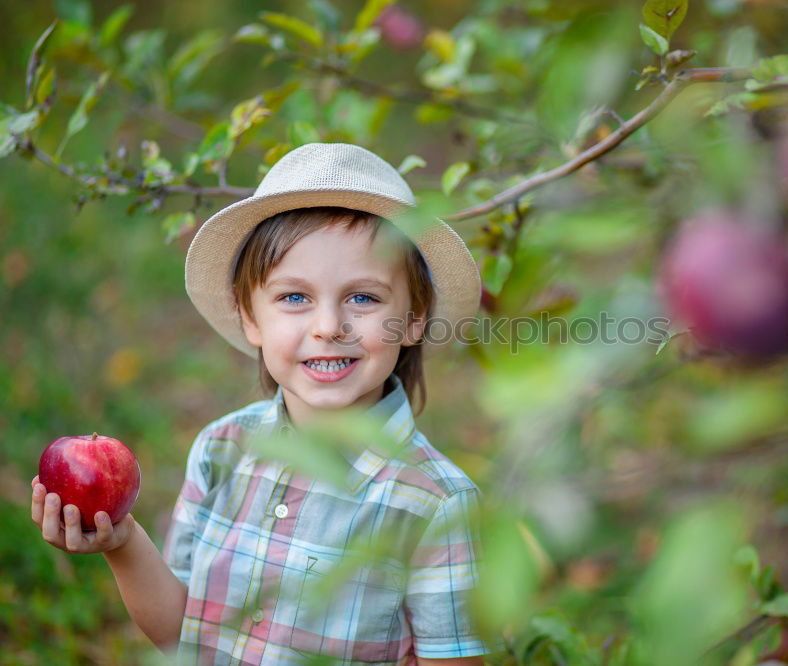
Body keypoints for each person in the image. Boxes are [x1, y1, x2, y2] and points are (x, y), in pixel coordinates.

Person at [30, 143, 493, 665]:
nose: (327, 326)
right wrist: (121, 542)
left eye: (363, 297)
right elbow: (183, 635)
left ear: (412, 319)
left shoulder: (435, 503)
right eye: (294, 297)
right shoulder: (222, 449)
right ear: (250, 318)